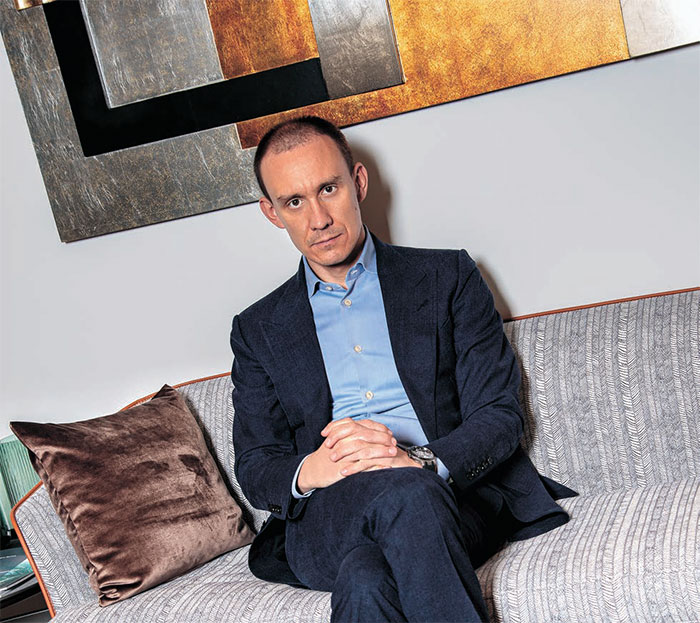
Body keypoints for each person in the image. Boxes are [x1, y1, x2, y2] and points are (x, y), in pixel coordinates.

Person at [230, 116, 577, 622]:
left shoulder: (447, 277)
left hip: (453, 496)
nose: (318, 219)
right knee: (400, 509)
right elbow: (257, 463)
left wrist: (419, 461)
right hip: (330, 512)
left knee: (366, 579)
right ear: (272, 213)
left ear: (358, 182)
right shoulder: (258, 328)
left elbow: (499, 416)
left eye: (328, 189)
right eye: (294, 202)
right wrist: (318, 468)